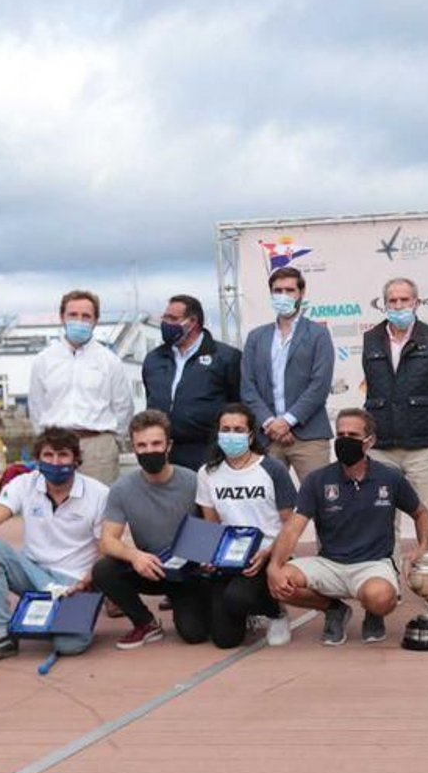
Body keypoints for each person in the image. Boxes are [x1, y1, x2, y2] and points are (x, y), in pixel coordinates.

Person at [266, 408, 428, 646]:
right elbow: (293, 528)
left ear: (369, 441)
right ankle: (334, 609)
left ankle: (373, 613)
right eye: (340, 434)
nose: (345, 440)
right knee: (280, 581)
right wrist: (274, 565)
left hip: (373, 564)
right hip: (329, 564)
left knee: (381, 598)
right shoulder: (318, 480)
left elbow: (421, 513)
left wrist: (423, 546)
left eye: (352, 435)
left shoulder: (390, 477)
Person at [0, 427, 110, 660]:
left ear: (76, 460)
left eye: (63, 455)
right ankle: (1, 632)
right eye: (48, 455)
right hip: (33, 574)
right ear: (37, 459)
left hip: (76, 582)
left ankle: (46, 613)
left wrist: (88, 581)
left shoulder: (99, 493)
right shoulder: (24, 484)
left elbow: (106, 548)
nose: (55, 462)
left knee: (69, 646)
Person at [90, 411, 214, 650]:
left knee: (194, 633)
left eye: (156, 443)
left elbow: (212, 526)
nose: (150, 451)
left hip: (189, 572)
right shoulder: (122, 489)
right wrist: (135, 556)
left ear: (169, 445)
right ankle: (145, 623)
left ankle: (197, 607)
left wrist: (203, 556)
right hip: (150, 567)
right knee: (103, 570)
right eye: (142, 445)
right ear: (134, 448)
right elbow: (107, 541)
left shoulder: (193, 480)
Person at [361, 276, 428, 556]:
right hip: (381, 448)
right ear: (384, 304)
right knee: (382, 520)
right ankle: (388, 581)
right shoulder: (370, 340)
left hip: (422, 446)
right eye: (393, 300)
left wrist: (423, 415)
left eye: (405, 300)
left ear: (416, 302)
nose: (399, 305)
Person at [195, 404, 299, 648]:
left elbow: (290, 524)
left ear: (251, 435)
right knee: (224, 640)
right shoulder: (207, 473)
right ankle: (246, 610)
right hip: (229, 556)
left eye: (238, 429)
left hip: (268, 553)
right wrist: (209, 555)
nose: (231, 435)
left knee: (237, 597)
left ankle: (275, 612)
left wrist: (269, 553)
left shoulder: (272, 469)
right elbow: (212, 525)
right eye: (226, 429)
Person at [241, 266, 336, 486]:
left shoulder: (318, 334)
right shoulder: (256, 337)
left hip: (309, 435)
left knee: (323, 504)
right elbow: (247, 386)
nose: (283, 296)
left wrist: (287, 421)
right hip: (267, 437)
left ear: (301, 293)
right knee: (267, 507)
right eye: (277, 290)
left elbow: (319, 385)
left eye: (289, 290)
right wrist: (270, 423)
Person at [28, 289, 134, 484]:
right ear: (62, 317)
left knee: (100, 508)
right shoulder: (43, 360)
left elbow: (123, 407)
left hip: (97, 448)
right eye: (73, 315)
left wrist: (110, 441)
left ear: (95, 320)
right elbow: (36, 406)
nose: (79, 320)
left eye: (86, 316)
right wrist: (46, 442)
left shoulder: (110, 361)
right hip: (55, 446)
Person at [142, 294, 243, 470]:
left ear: (192, 322)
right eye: (165, 318)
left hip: (207, 450)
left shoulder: (226, 357)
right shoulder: (154, 359)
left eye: (173, 318)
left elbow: (239, 404)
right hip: (163, 451)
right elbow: (150, 398)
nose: (166, 323)